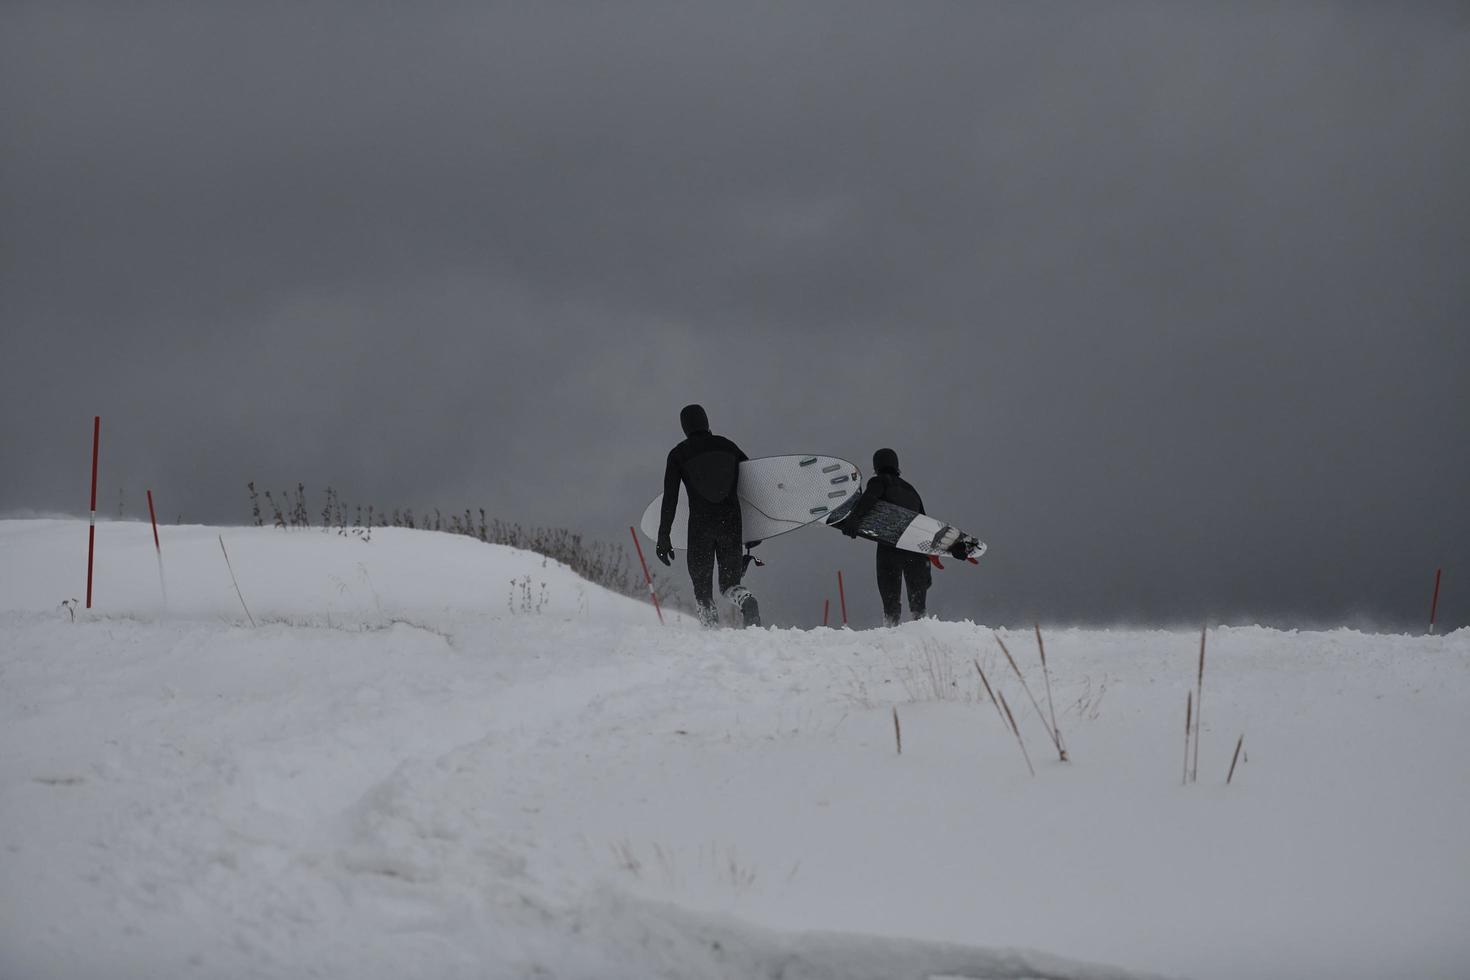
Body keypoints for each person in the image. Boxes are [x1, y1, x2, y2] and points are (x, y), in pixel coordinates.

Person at [656, 404, 761, 628]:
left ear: (685, 427)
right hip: (731, 524)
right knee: (730, 585)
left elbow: (670, 499)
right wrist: (757, 528)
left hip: (700, 528)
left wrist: (664, 536)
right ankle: (747, 601)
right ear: (706, 421)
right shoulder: (729, 446)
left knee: (702, 590)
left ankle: (711, 634)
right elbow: (752, 484)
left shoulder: (678, 454)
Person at [839, 448, 935, 626]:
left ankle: (891, 630)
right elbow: (925, 526)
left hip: (891, 546)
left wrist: (853, 521)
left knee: (891, 599)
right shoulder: (911, 490)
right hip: (915, 550)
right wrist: (928, 564)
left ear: (877, 466)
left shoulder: (879, 481)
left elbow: (868, 500)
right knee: (918, 605)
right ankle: (922, 631)